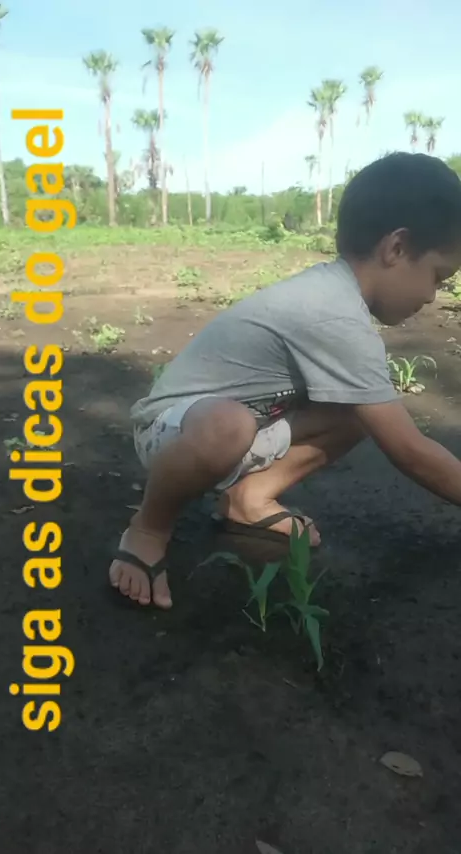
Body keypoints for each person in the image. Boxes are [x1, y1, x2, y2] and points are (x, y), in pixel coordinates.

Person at [110, 152, 461, 609]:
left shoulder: (335, 296)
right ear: (396, 248)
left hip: (242, 426)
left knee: (361, 410)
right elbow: (411, 452)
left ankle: (249, 499)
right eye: (438, 277)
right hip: (171, 432)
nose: (433, 296)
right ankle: (148, 527)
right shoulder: (332, 314)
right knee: (228, 425)